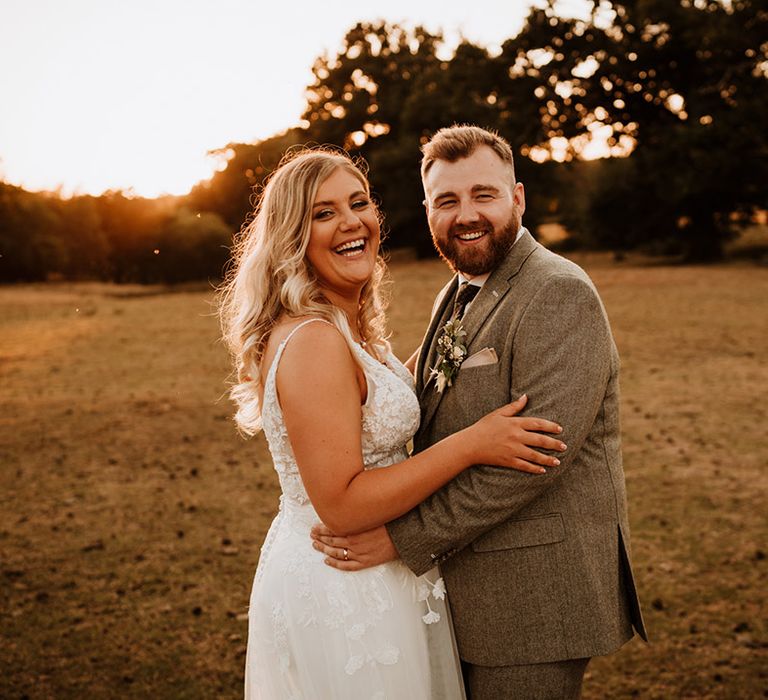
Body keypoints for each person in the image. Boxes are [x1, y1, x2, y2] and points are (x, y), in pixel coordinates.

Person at [218, 147, 567, 699]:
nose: (351, 221)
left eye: (358, 203)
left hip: (381, 576)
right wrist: (473, 445)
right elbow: (343, 503)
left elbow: (396, 394)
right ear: (292, 236)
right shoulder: (313, 341)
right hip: (346, 583)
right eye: (323, 212)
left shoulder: (343, 328)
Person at [312, 125, 648, 699]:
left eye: (483, 195)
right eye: (447, 201)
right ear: (427, 212)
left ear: (517, 198)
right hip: (469, 588)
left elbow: (534, 459)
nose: (466, 215)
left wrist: (402, 538)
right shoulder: (459, 286)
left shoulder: (558, 292)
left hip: (534, 601)